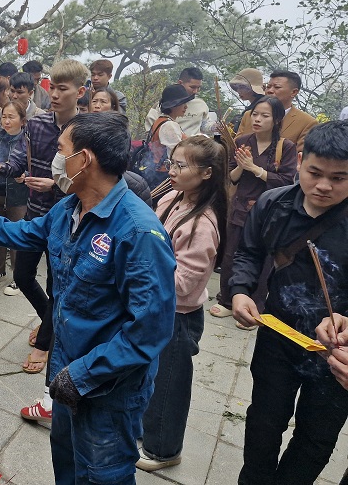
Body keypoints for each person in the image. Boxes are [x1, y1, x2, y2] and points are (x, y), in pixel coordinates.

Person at [0, 111, 176, 484]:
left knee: (102, 474)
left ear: (84, 159)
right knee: (66, 464)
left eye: (61, 149)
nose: (55, 158)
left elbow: (149, 330)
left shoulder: (138, 232)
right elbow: (27, 232)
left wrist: (83, 375)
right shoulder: (69, 208)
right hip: (67, 372)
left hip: (107, 388)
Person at [230, 121, 348, 485]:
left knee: (316, 436)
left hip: (337, 352)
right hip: (279, 335)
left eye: (340, 178)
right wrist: (240, 290)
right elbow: (248, 253)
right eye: (315, 172)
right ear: (300, 161)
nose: (324, 186)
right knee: (264, 421)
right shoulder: (273, 202)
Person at [0, 59, 85, 397]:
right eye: (51, 87)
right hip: (37, 214)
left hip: (69, 220)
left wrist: (54, 186)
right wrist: (0, 167)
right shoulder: (37, 125)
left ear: (80, 92)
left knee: (58, 286)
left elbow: (88, 182)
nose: (53, 94)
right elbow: (21, 167)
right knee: (23, 275)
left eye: (62, 89)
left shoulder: (88, 130)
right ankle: (49, 321)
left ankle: (45, 342)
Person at [138, 136, 228, 471]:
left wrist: (140, 269)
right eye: (172, 162)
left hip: (178, 316)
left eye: (180, 165)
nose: (171, 170)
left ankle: (164, 450)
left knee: (169, 386)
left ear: (206, 173)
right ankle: (148, 433)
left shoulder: (202, 224)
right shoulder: (174, 197)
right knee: (151, 377)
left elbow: (182, 284)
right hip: (158, 308)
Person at [210, 96, 297, 320]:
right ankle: (228, 299)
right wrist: (241, 166)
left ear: (277, 119)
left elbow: (287, 182)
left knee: (264, 258)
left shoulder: (284, 147)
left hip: (269, 212)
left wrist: (254, 168)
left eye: (264, 116)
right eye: (255, 114)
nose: (257, 119)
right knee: (231, 254)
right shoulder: (242, 141)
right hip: (240, 208)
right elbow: (230, 177)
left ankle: (255, 305)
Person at [0, 101, 28, 291]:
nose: (6, 120)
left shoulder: (27, 140)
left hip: (18, 195)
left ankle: (18, 277)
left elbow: (31, 166)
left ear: (23, 120)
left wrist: (25, 176)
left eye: (11, 117)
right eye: (4, 116)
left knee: (16, 236)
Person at [236, 70, 317, 152]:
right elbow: (234, 147)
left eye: (277, 87)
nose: (270, 91)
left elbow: (301, 157)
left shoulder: (307, 123)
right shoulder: (248, 115)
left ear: (294, 92)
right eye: (268, 86)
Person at [140, 83, 194, 190]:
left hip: (157, 172)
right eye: (183, 103)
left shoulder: (160, 121)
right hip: (163, 175)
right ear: (174, 105)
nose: (186, 107)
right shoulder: (169, 125)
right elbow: (176, 154)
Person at [144, 68, 209, 136]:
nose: (196, 91)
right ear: (180, 83)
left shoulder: (200, 104)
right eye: (192, 87)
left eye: (198, 87)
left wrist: (215, 127)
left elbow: (204, 125)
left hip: (194, 145)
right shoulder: (161, 105)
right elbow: (150, 132)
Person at [227, 68, 265, 133]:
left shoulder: (261, 106)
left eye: (242, 87)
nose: (239, 91)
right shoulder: (252, 106)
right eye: (237, 87)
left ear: (253, 88)